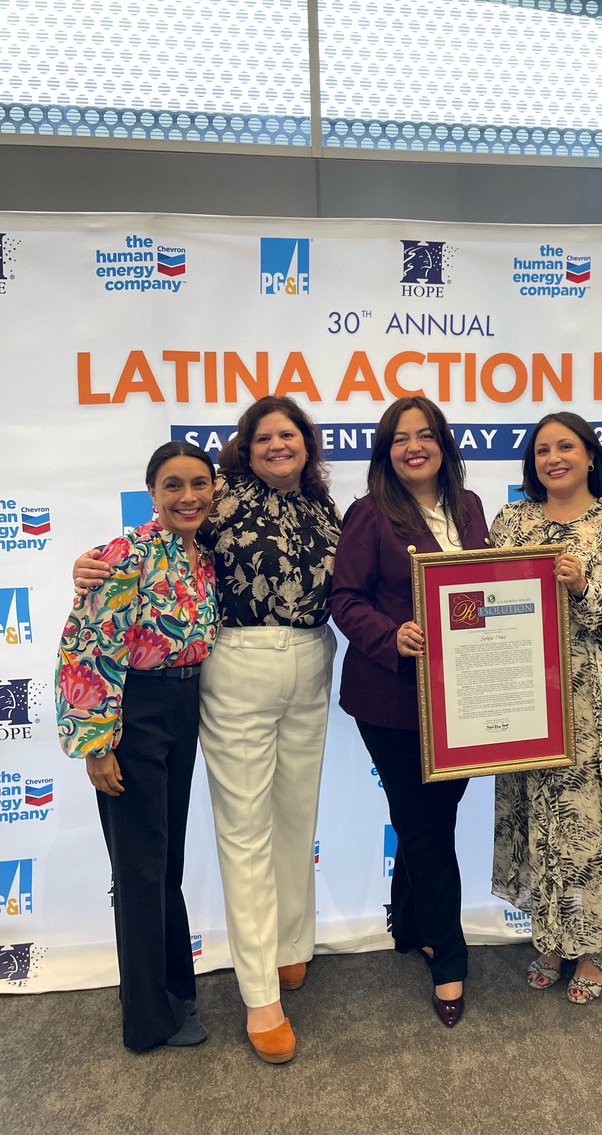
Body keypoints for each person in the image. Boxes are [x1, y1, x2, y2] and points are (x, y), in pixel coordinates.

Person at [73, 396, 341, 1064]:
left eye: (289, 435)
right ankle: (260, 997)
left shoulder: (326, 510)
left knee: (295, 817)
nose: (278, 445)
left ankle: (287, 946)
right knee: (246, 827)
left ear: (306, 444)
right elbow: (156, 540)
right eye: (264, 438)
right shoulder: (220, 503)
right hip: (240, 662)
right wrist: (90, 565)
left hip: (313, 662)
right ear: (244, 450)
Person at [329, 397, 490, 1028]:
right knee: (425, 826)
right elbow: (344, 597)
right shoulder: (370, 514)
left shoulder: (471, 508)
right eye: (400, 439)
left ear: (445, 445)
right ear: (385, 452)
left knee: (430, 814)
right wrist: (391, 634)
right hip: (393, 698)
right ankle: (449, 960)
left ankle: (411, 922)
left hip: (464, 698)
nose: (413, 447)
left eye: (425, 436)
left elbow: (483, 586)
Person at [490, 412, 602, 1004]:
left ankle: (590, 949)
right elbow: (482, 600)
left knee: (592, 823)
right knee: (544, 817)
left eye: (566, 447)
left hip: (597, 700)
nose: (553, 458)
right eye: (541, 450)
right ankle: (551, 938)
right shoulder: (511, 520)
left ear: (591, 457)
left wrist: (584, 587)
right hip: (526, 694)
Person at [57, 441, 218, 1052]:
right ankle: (147, 1020)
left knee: (164, 860)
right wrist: (98, 744)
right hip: (136, 711)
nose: (188, 496)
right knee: (139, 865)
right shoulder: (124, 554)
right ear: (152, 493)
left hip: (185, 706)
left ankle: (172, 986)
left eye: (199, 483)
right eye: (173, 485)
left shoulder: (200, 554)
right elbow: (86, 648)